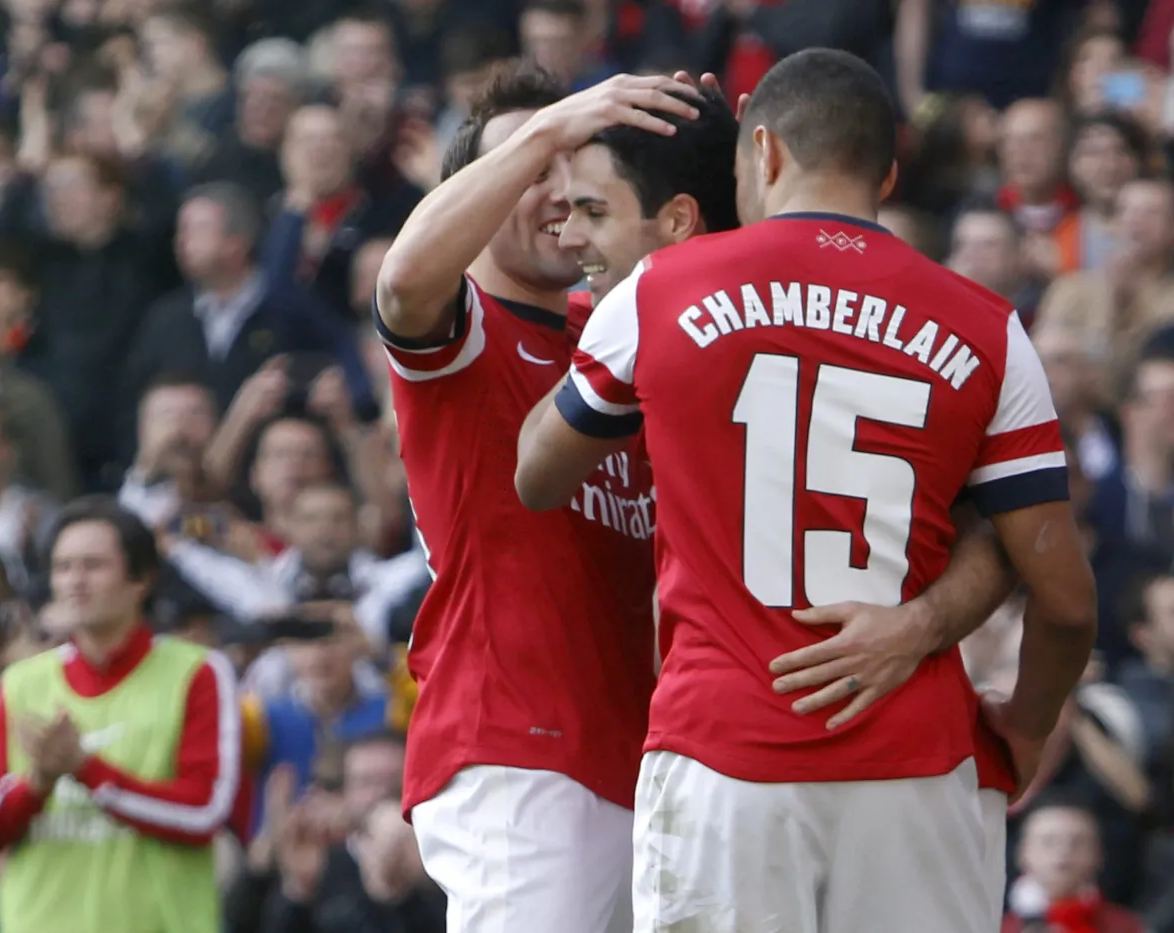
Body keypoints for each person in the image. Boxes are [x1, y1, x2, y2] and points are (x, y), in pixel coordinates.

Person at [516, 48, 1097, 931]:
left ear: (765, 151)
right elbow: (1065, 601)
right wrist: (1025, 723)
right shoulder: (989, 328)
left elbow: (538, 473)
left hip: (725, 757)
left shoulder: (661, 291)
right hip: (917, 764)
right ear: (887, 174)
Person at [370, 64, 689, 933]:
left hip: (645, 756)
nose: (558, 192)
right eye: (528, 168)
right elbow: (402, 282)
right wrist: (554, 125)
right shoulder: (466, 326)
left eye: (574, 170)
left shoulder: (616, 334)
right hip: (518, 749)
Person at [0, 496, 242, 933]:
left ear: (141, 579)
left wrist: (85, 769)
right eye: (63, 567)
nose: (74, 581)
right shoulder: (20, 683)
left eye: (93, 566)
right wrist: (37, 783)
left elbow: (204, 812)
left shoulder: (199, 673)